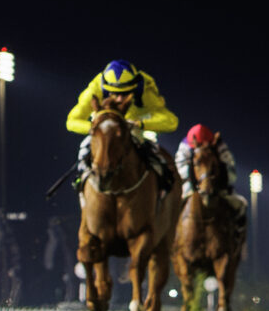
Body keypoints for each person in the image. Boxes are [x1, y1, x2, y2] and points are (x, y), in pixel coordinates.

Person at [66, 60, 178, 191]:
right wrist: (98, 128)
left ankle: (164, 179)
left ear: (134, 85)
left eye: (125, 93)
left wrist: (141, 124)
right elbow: (71, 121)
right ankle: (81, 177)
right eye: (115, 94)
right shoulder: (95, 89)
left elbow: (171, 121)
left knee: (153, 150)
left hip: (133, 129)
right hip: (104, 131)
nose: (119, 99)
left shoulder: (145, 90)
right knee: (84, 147)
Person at [175, 123, 241, 207]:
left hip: (218, 186)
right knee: (178, 204)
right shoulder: (185, 146)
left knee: (240, 205)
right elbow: (179, 171)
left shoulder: (219, 145)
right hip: (191, 184)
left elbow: (231, 173)